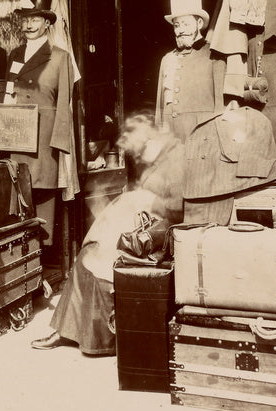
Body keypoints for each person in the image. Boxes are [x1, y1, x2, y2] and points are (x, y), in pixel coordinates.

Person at [31, 113, 184, 354]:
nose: (125, 141)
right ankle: (69, 331)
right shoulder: (155, 157)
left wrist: (149, 200)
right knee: (88, 254)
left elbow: (179, 208)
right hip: (143, 229)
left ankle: (100, 339)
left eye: (129, 134)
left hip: (157, 236)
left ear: (147, 130)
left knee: (97, 260)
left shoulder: (175, 158)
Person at [5, 0, 76, 250]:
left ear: (47, 23)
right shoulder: (13, 55)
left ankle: (41, 268)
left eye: (35, 19)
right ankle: (22, 266)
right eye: (24, 19)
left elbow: (64, 105)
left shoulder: (60, 58)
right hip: (14, 142)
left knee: (43, 209)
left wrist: (57, 148)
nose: (28, 25)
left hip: (43, 145)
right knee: (17, 208)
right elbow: (6, 97)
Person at [155, 0, 224, 142]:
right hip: (173, 144)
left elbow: (221, 108)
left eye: (186, 24)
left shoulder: (214, 56)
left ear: (199, 23)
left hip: (203, 143)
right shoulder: (167, 59)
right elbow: (160, 112)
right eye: (176, 25)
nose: (180, 30)